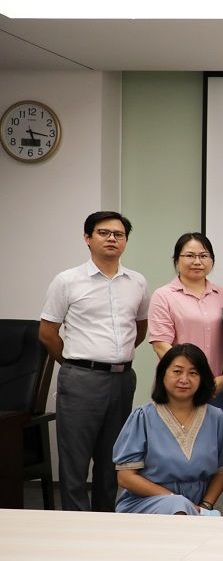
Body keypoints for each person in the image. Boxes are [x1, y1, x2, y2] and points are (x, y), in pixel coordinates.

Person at [39, 211, 149, 512]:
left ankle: (105, 519)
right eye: (104, 233)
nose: (112, 238)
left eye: (119, 234)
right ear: (88, 238)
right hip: (81, 379)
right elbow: (47, 333)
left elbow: (139, 329)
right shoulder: (67, 280)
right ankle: (74, 525)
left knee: (112, 458)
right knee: (75, 460)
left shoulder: (137, 282)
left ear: (125, 241)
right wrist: (74, 364)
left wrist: (115, 357)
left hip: (122, 379)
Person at [112, 344, 223, 515]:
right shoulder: (143, 417)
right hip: (144, 503)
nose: (184, 379)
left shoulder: (216, 418)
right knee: (178, 505)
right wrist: (175, 499)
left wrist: (205, 506)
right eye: (177, 371)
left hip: (196, 508)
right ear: (163, 374)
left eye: (193, 373)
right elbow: (125, 477)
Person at [148, 232, 223, 412]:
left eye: (203, 256)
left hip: (216, 387)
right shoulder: (163, 295)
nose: (197, 261)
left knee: (212, 430)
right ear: (176, 260)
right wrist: (192, 376)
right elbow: (161, 345)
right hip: (179, 385)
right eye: (190, 256)